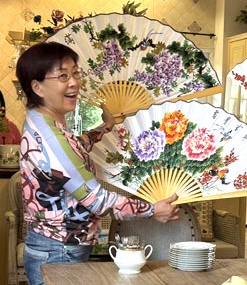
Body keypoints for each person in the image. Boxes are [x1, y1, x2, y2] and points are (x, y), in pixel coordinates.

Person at [16, 41, 180, 285]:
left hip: (55, 246)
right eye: (62, 76)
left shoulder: (42, 122)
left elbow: (74, 149)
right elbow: (98, 201)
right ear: (37, 87)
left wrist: (106, 127)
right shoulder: (51, 140)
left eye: (75, 73)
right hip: (59, 252)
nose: (74, 82)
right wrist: (153, 210)